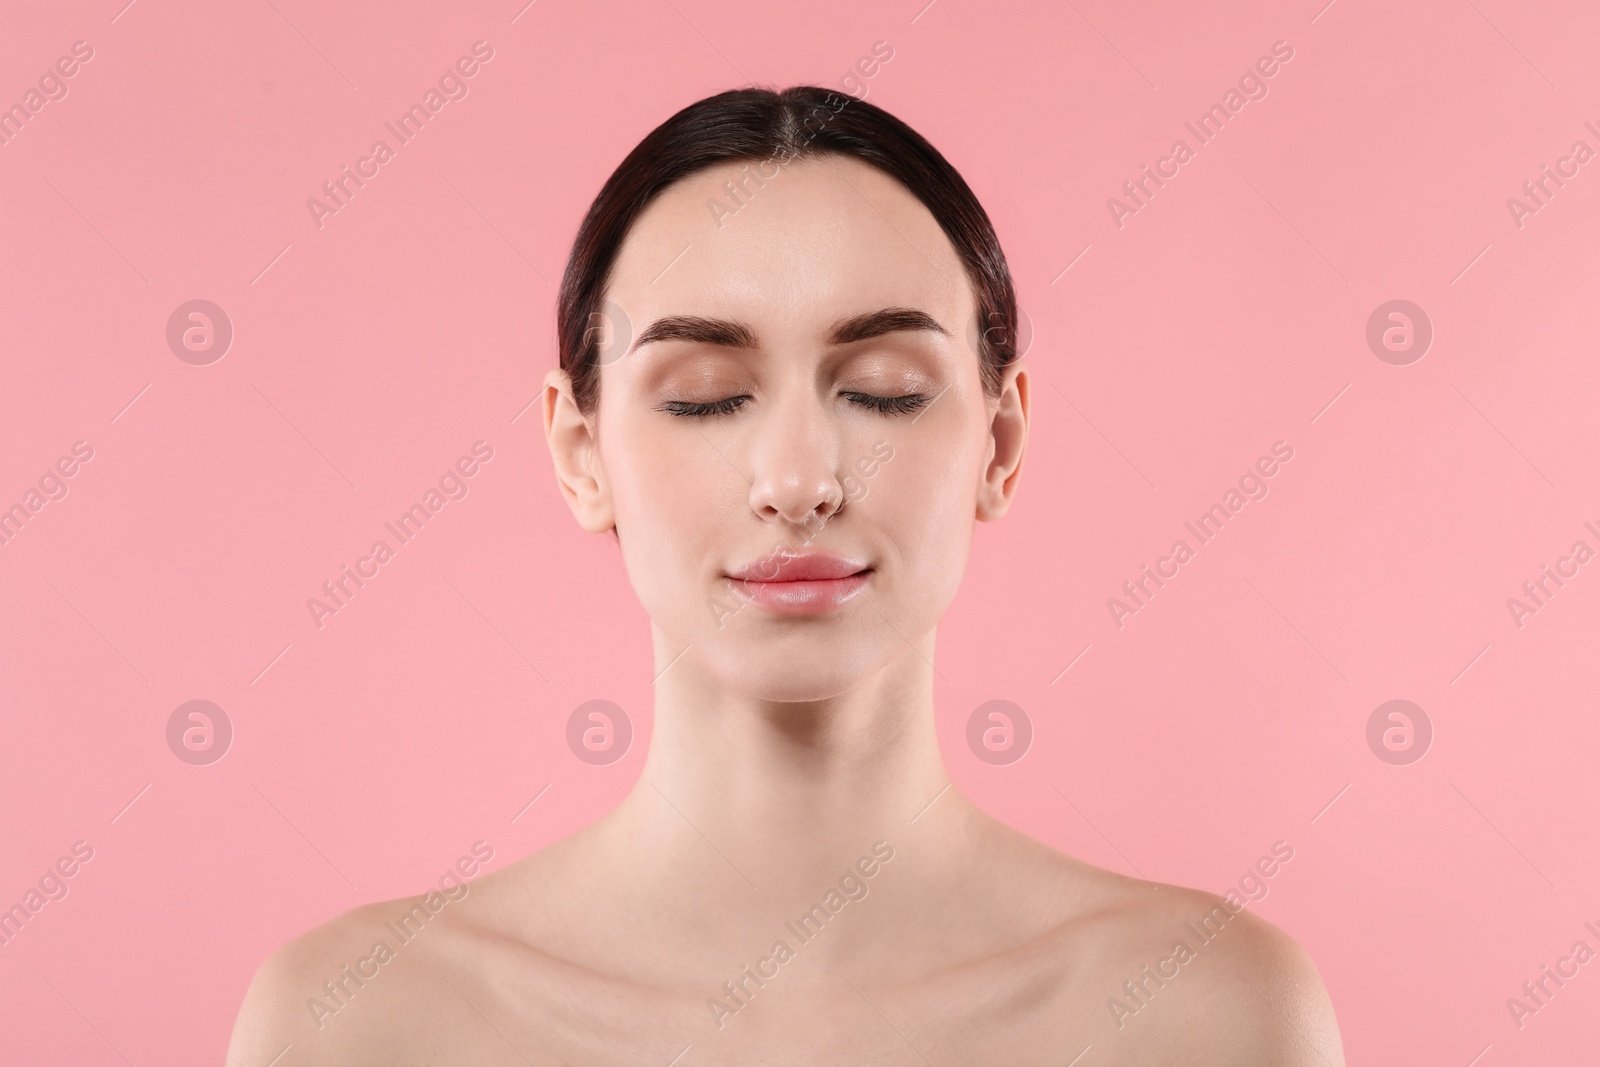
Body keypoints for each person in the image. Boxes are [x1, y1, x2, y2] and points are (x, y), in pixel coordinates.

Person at [227, 85, 1344, 1065]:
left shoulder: (1213, 1016)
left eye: (887, 389)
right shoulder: (356, 1024)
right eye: (706, 394)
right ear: (580, 453)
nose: (801, 478)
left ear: (998, 444)